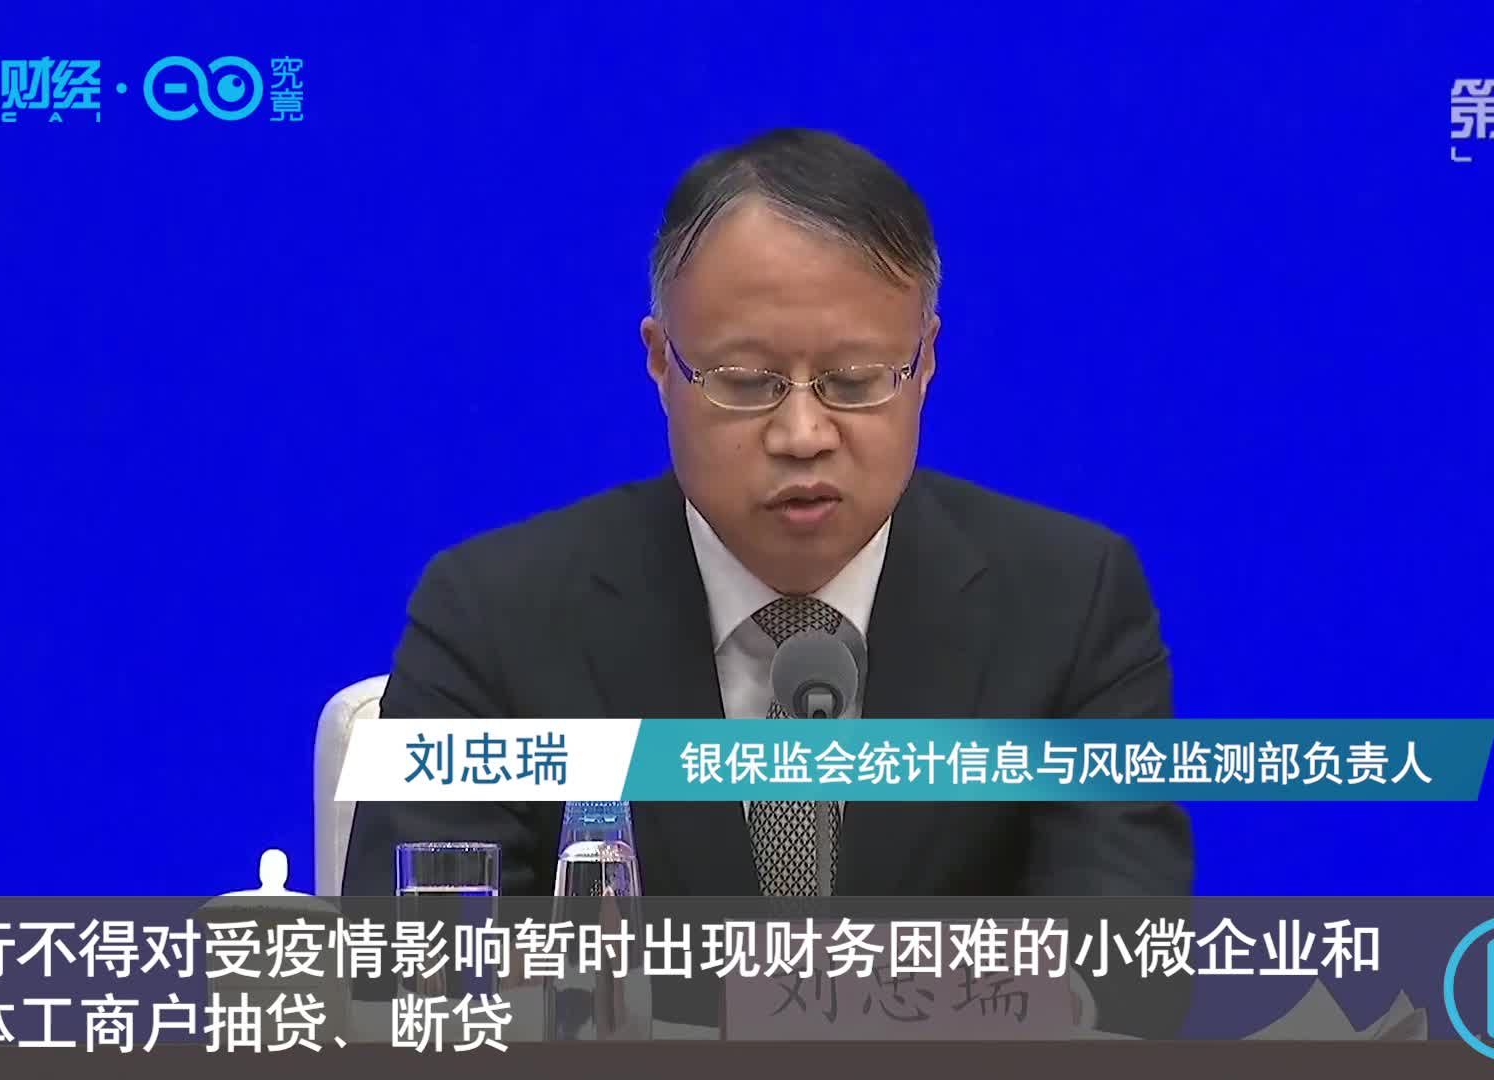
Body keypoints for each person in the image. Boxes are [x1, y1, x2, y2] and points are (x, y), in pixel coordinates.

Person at [342, 127, 1191, 907]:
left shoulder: (1069, 606)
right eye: (746, 383)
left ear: (926, 358)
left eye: (854, 382)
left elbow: (1119, 971)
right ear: (661, 363)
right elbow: (420, 972)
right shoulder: (495, 618)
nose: (802, 434)